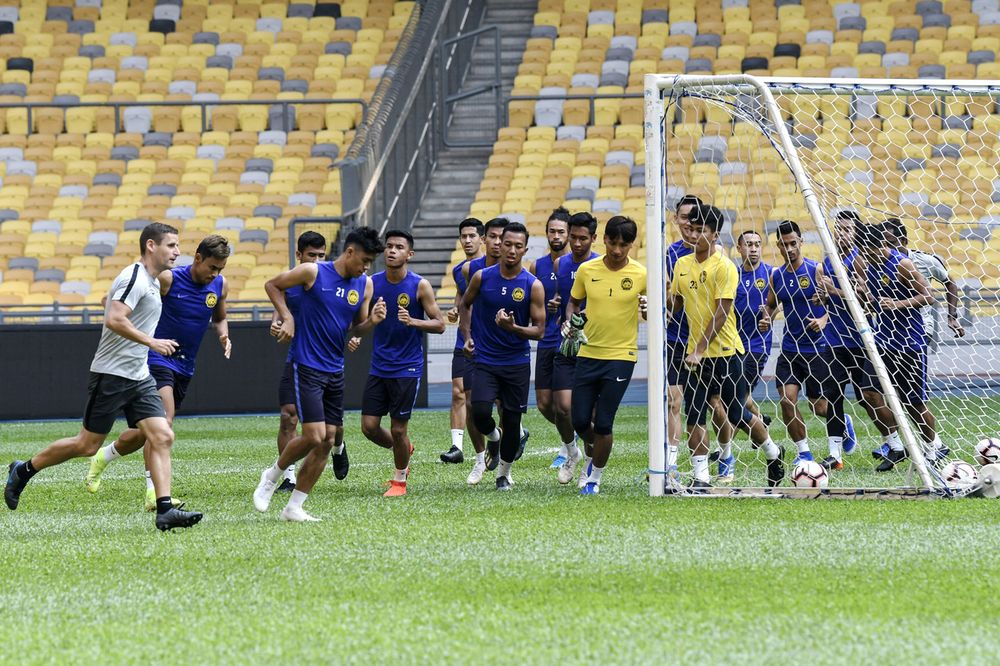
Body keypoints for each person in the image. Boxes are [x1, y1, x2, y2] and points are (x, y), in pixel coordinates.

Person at [5, 223, 203, 531]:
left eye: (178, 246)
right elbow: (114, 318)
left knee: (162, 435)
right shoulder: (135, 276)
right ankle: (24, 470)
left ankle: (164, 509)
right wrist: (152, 342)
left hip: (139, 375)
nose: (177, 251)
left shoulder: (152, 280)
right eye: (171, 245)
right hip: (112, 374)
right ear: (151, 245)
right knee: (86, 444)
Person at [85, 235, 232, 510]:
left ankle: (104, 456)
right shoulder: (168, 279)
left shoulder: (220, 285)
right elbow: (115, 300)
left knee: (144, 432)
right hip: (157, 358)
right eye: (212, 267)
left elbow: (220, 317)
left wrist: (224, 335)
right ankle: (155, 494)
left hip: (185, 365)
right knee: (165, 422)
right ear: (197, 258)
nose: (215, 273)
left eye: (220, 269)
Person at [253, 227, 385, 521]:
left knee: (328, 440)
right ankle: (272, 476)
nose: (367, 267)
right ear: (349, 252)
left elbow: (357, 327)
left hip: (335, 370)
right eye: (364, 260)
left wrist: (373, 322)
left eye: (370, 262)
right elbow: (272, 285)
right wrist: (286, 317)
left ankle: (294, 507)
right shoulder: (313, 272)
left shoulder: (364, 285)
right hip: (307, 365)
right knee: (314, 435)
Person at [669, 205, 785, 489]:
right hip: (695, 356)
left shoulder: (724, 266)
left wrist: (699, 349)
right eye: (691, 229)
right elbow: (676, 305)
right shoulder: (681, 265)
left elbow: (722, 312)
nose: (694, 235)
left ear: (715, 234)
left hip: (727, 353)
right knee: (694, 415)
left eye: (701, 231)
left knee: (736, 414)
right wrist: (655, 305)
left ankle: (773, 453)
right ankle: (702, 478)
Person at [563, 216, 647, 495]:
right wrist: (571, 322)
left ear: (632, 245)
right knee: (579, 420)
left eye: (624, 245)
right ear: (605, 240)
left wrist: (649, 307)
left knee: (603, 422)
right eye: (613, 243)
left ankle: (594, 477)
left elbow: (662, 309)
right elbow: (573, 302)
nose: (617, 250)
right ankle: (598, 445)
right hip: (588, 352)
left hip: (622, 355)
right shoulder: (587, 270)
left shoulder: (641, 274)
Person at [459, 221, 545, 491]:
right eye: (507, 244)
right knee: (479, 412)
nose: (511, 250)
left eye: (518, 246)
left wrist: (514, 328)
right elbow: (465, 305)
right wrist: (467, 336)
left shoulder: (533, 285)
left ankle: (503, 475)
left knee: (512, 420)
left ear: (525, 250)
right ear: (499, 244)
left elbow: (539, 331)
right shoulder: (481, 277)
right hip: (485, 360)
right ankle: (493, 438)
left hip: (516, 363)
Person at [855, 222, 947, 469]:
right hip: (882, 342)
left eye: (869, 252)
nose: (866, 257)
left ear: (881, 245)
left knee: (913, 403)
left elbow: (928, 296)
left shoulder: (902, 264)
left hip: (909, 343)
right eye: (863, 253)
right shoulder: (867, 265)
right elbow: (874, 300)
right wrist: (864, 295)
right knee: (868, 393)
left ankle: (934, 446)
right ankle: (895, 445)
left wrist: (898, 304)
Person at [360, 230, 445, 496]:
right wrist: (370, 321)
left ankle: (399, 481)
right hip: (379, 365)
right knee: (369, 428)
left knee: (398, 429)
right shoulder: (371, 283)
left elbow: (440, 324)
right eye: (389, 246)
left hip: (407, 366)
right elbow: (359, 322)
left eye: (399, 247)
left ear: (409, 254)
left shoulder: (420, 285)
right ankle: (405, 449)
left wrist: (413, 321)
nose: (392, 251)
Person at [817, 212, 900, 470]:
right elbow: (828, 300)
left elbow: (864, 300)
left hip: (860, 340)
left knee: (868, 396)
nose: (842, 234)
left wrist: (833, 290)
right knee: (833, 396)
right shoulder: (828, 261)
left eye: (847, 229)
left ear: (856, 233)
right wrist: (822, 297)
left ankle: (894, 442)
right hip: (834, 340)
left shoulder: (860, 259)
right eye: (839, 229)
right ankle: (835, 454)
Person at [759, 220, 845, 468]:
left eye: (793, 243)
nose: (789, 249)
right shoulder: (776, 276)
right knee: (787, 400)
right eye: (784, 245)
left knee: (820, 406)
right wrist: (767, 317)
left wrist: (823, 319)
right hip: (790, 349)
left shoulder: (816, 269)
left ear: (801, 242)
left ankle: (843, 423)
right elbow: (771, 304)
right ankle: (804, 452)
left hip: (817, 349)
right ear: (778, 245)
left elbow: (836, 304)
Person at [663, 196, 733, 485]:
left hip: (708, 342)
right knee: (674, 400)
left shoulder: (719, 256)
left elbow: (721, 306)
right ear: (678, 220)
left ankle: (726, 454)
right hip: (676, 337)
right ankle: (670, 464)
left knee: (718, 404)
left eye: (696, 223)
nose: (689, 227)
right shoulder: (671, 255)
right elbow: (673, 300)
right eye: (684, 219)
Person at [274, 231, 327, 491]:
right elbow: (279, 314)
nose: (316, 261)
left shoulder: (331, 282)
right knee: (288, 416)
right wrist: (278, 323)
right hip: (296, 359)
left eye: (321, 255)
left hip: (326, 363)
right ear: (299, 255)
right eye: (311, 255)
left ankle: (339, 447)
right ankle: (289, 476)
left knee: (330, 428)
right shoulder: (289, 283)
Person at [551, 211, 600, 486]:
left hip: (595, 346)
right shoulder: (560, 263)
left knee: (590, 415)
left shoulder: (600, 264)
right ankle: (572, 452)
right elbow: (567, 297)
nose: (577, 243)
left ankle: (590, 465)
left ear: (593, 238)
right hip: (567, 343)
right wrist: (564, 315)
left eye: (583, 238)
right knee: (561, 408)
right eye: (573, 237)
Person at [528, 207, 571, 468]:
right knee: (544, 403)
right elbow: (531, 301)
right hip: (546, 340)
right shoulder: (537, 266)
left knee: (565, 403)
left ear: (569, 234)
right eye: (552, 231)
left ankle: (568, 447)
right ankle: (571, 439)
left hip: (570, 341)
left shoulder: (579, 265)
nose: (556, 236)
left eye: (561, 231)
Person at [440, 218, 484, 465]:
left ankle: (514, 433)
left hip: (487, 341)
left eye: (472, 236)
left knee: (491, 398)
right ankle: (456, 447)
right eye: (464, 236)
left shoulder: (492, 268)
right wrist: (455, 310)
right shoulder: (459, 270)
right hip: (463, 340)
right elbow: (461, 296)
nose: (467, 240)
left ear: (482, 239)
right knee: (458, 392)